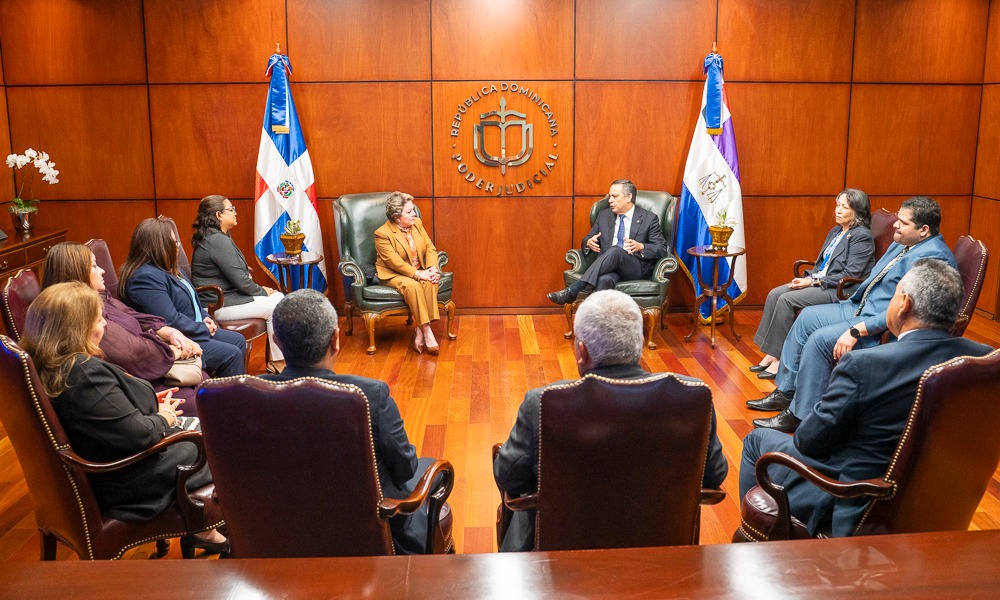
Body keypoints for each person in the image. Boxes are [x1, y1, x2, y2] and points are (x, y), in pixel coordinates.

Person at [739, 259, 993, 537]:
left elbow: (808, 441)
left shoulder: (864, 366)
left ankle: (763, 543)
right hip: (938, 506)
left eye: (893, 294)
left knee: (756, 441)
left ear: (904, 304)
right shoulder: (986, 360)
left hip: (855, 500)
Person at [494, 290, 728, 552]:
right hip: (663, 558)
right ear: (640, 342)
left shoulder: (543, 402)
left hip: (559, 563)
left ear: (581, 351)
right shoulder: (692, 395)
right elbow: (715, 475)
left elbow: (509, 477)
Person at [20, 282, 228, 556]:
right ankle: (237, 533)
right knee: (224, 444)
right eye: (98, 320)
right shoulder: (83, 373)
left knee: (214, 433)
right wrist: (164, 418)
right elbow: (138, 435)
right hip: (133, 479)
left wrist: (145, 405)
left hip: (113, 464)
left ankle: (207, 531)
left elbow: (104, 418)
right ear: (77, 329)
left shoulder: (51, 366)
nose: (105, 325)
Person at [749, 196, 955, 432]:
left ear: (924, 230)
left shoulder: (932, 257)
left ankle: (801, 416)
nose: (895, 225)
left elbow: (907, 311)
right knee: (805, 319)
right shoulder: (903, 242)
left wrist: (858, 330)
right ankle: (786, 392)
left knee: (819, 340)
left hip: (875, 322)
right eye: (897, 219)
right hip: (857, 305)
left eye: (903, 222)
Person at [261, 289, 441, 554]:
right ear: (335, 340)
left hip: (280, 534)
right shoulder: (369, 394)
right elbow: (405, 468)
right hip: (370, 533)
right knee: (433, 469)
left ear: (276, 340)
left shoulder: (243, 394)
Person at [40, 241, 206, 408]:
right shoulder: (86, 319)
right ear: (77, 272)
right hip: (138, 389)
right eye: (94, 266)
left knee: (207, 384)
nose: (102, 270)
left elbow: (133, 315)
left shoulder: (102, 298)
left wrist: (169, 332)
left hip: (151, 371)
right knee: (207, 397)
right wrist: (176, 351)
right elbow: (133, 353)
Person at [751, 189, 875, 380]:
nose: (838, 210)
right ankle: (771, 352)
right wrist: (809, 279)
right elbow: (822, 264)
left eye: (844, 207)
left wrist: (813, 281)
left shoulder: (862, 236)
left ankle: (778, 359)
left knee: (786, 300)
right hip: (820, 280)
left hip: (840, 289)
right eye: (837, 205)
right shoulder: (836, 231)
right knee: (775, 294)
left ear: (857, 211)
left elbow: (851, 274)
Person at [120, 217, 246, 378]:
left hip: (192, 329)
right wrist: (202, 328)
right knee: (231, 354)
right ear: (159, 246)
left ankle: (229, 387)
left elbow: (192, 298)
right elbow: (169, 319)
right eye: (174, 242)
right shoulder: (145, 278)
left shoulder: (168, 268)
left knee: (238, 340)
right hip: (177, 339)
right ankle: (225, 394)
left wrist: (205, 317)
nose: (178, 246)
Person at [191, 195, 284, 362]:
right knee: (278, 306)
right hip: (217, 304)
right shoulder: (217, 241)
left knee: (279, 298)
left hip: (227, 297)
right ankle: (279, 362)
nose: (235, 213)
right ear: (219, 215)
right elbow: (242, 282)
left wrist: (255, 285)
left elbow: (238, 274)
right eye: (231, 209)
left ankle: (276, 360)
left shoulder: (218, 236)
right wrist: (263, 291)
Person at [547, 179, 668, 305]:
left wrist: (641, 246)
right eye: (610, 196)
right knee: (604, 280)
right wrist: (589, 242)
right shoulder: (604, 216)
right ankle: (597, 316)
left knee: (616, 250)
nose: (610, 200)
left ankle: (575, 289)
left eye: (615, 196)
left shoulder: (649, 218)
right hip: (609, 268)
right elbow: (588, 238)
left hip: (635, 267)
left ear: (628, 197)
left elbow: (661, 248)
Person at [374, 191, 442, 355]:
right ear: (397, 217)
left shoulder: (416, 224)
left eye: (413, 210)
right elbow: (394, 262)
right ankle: (427, 331)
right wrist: (419, 274)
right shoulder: (382, 234)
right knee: (414, 286)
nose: (414, 214)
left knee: (431, 281)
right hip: (393, 274)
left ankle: (419, 330)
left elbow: (430, 247)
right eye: (410, 211)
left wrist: (432, 268)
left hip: (419, 269)